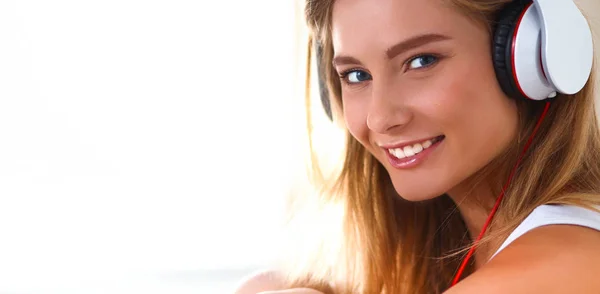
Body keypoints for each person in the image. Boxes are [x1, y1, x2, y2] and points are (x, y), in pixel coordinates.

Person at [234, 0, 600, 293]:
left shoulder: (565, 263)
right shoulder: (464, 249)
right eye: (356, 75)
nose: (380, 118)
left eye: (421, 61)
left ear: (534, 57)